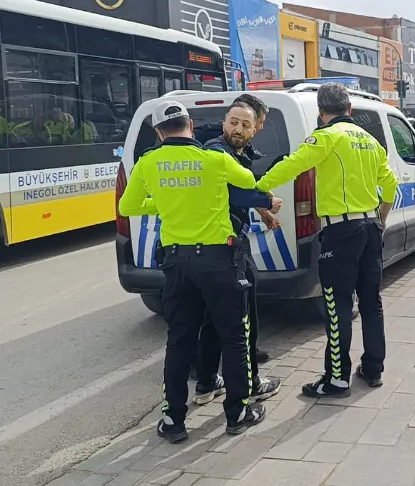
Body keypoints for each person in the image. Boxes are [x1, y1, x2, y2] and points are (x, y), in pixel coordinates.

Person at [118, 101, 276, 442]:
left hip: (176, 263)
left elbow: (127, 206)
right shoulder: (215, 159)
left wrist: (162, 201)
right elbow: (249, 180)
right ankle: (238, 413)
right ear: (191, 126)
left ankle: (173, 420)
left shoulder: (148, 163)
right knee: (233, 338)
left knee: (179, 342)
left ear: (159, 133)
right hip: (220, 261)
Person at [255, 83, 398, 398]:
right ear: (350, 110)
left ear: (322, 113)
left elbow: (291, 166)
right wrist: (381, 220)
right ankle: (373, 368)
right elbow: (390, 187)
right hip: (370, 228)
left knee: (338, 307)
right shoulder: (371, 142)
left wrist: (257, 189)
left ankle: (336, 379)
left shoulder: (325, 137)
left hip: (340, 233)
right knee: (372, 303)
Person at [192, 94, 281, 406]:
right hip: (226, 248)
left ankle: (205, 384)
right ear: (224, 123)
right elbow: (235, 192)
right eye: (233, 122)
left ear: (255, 129)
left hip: (217, 247)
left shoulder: (240, 153)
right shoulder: (217, 150)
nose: (238, 128)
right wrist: (266, 203)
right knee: (244, 320)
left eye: (246, 124)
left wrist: (265, 213)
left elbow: (241, 188)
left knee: (213, 319)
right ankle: (250, 384)